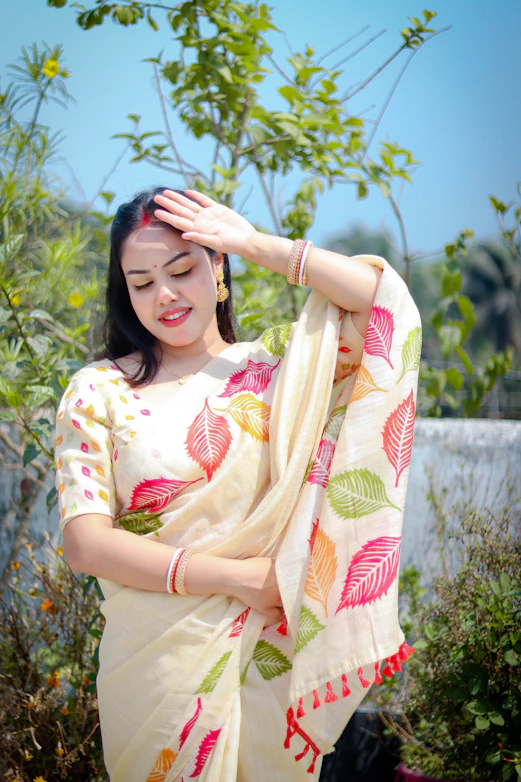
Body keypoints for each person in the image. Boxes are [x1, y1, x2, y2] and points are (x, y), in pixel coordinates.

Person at [54, 186, 421, 781]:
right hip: (156, 676)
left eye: (182, 269)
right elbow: (85, 544)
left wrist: (253, 242)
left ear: (216, 265)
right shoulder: (99, 391)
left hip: (264, 658)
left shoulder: (275, 367)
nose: (165, 295)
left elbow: (383, 303)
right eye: (141, 282)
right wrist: (235, 578)